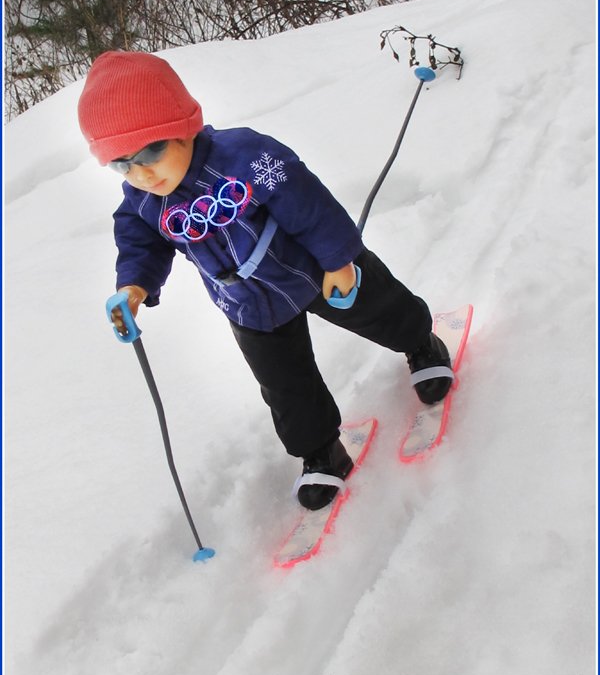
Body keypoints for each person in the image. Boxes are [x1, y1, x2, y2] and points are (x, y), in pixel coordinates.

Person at [78, 50, 453, 512]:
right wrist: (133, 286)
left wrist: (338, 260)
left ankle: (421, 344)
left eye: (151, 151)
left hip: (310, 271)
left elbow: (309, 205)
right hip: (247, 306)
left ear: (184, 126)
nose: (141, 173)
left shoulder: (246, 157)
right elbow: (139, 242)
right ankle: (321, 451)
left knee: (378, 307)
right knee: (284, 384)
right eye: (121, 164)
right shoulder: (142, 199)